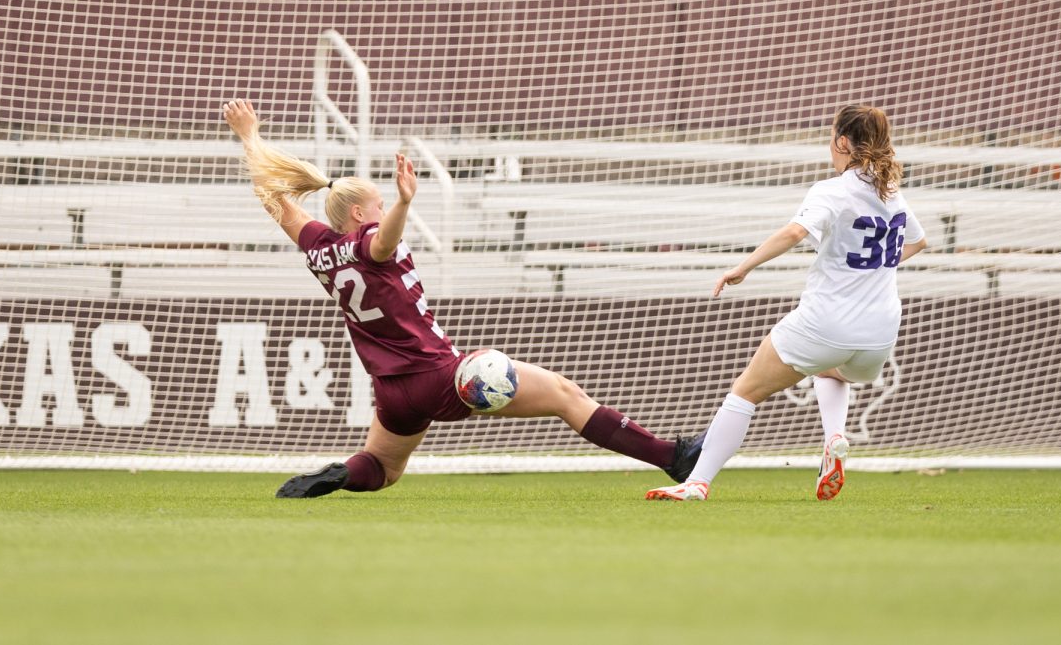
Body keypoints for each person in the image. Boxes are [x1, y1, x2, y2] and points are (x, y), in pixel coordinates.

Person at [221, 100, 701, 498]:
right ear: (358, 212)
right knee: (563, 394)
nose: (383, 208)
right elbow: (381, 245)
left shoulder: (318, 246)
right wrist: (406, 202)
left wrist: (249, 138)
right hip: (438, 374)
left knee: (383, 469)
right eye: (379, 204)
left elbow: (275, 200)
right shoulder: (370, 239)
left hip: (392, 391)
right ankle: (672, 458)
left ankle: (344, 473)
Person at [646, 105, 927, 502]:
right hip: (881, 332)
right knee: (831, 370)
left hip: (826, 321)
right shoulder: (891, 193)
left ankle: (697, 482)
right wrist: (871, 270)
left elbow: (795, 231)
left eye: (831, 137)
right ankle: (835, 438)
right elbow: (918, 241)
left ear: (843, 142)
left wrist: (742, 267)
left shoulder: (833, 190)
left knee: (744, 392)